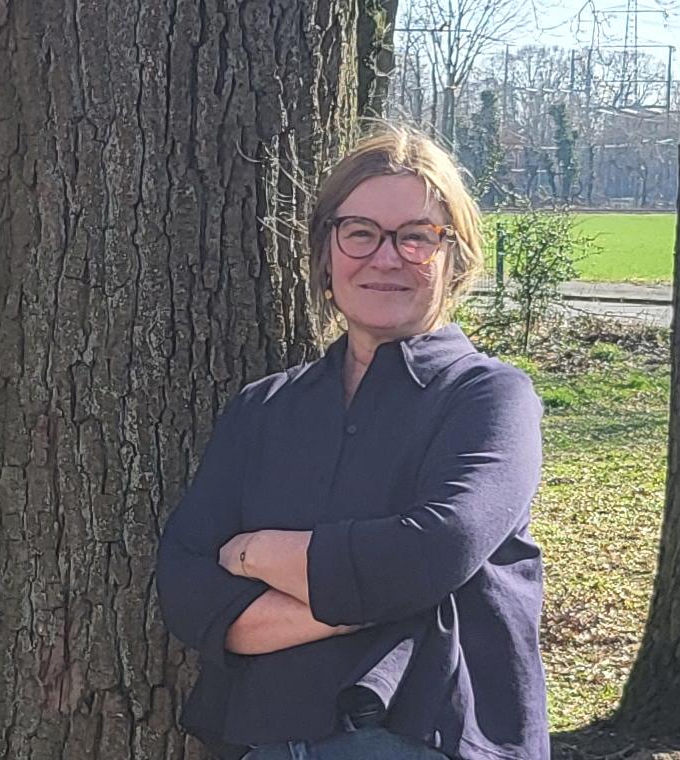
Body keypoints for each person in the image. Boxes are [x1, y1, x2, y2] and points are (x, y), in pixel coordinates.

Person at [156, 128, 548, 760]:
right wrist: (382, 598)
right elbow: (185, 586)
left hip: (424, 735)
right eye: (360, 232)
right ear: (326, 250)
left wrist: (255, 554)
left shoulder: (490, 398)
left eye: (417, 236)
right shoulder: (265, 408)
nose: (386, 257)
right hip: (263, 739)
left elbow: (431, 553)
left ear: (455, 256)